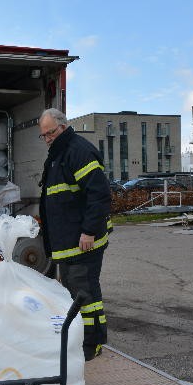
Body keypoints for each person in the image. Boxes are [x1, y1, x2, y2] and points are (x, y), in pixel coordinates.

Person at [38, 108, 112, 361]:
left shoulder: (79, 151)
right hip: (69, 242)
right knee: (74, 294)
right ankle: (81, 338)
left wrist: (89, 231)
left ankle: (92, 344)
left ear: (63, 126)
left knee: (86, 295)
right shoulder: (59, 153)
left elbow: (99, 195)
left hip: (84, 242)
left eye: (50, 133)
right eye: (44, 136)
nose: (48, 139)